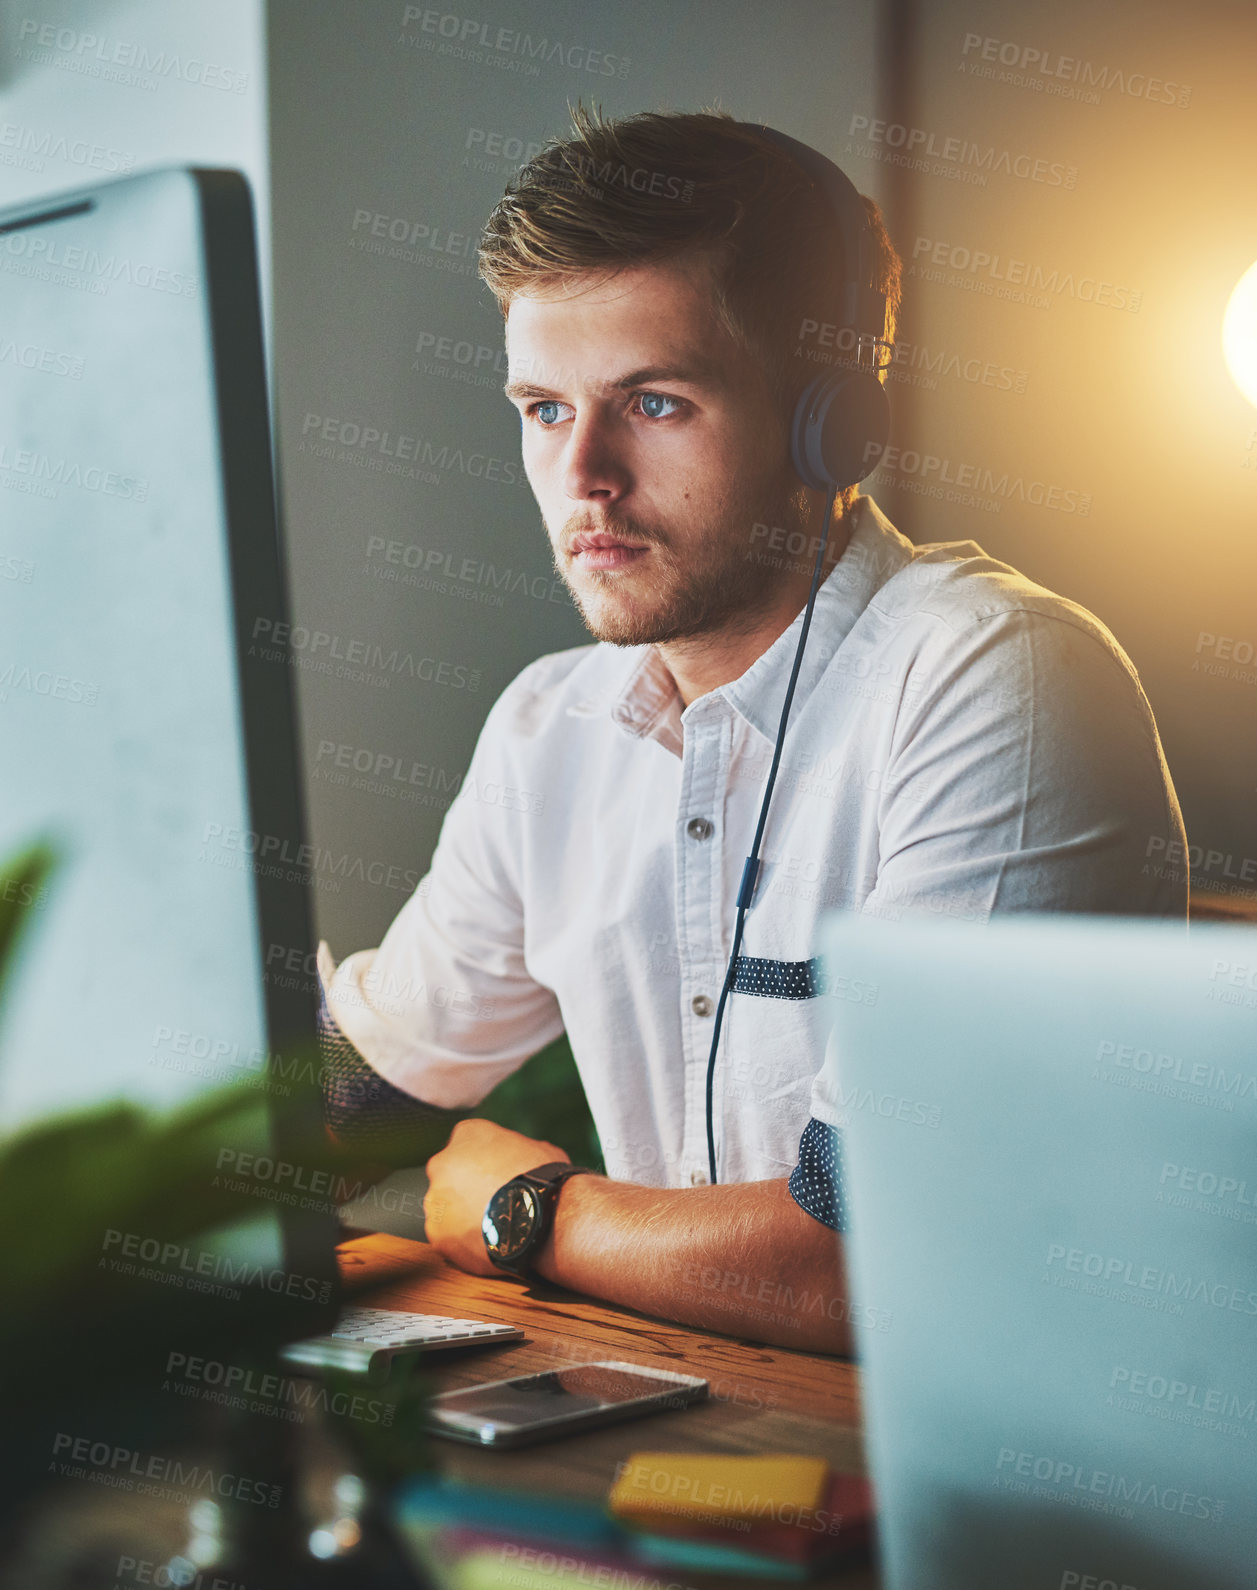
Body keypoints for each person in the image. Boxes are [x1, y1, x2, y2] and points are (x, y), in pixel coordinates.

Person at [317, 104, 1187, 1356]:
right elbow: (364, 1092)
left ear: (829, 424)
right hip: (699, 1440)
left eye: (654, 403)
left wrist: (531, 1214)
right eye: (545, 410)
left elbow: (884, 1260)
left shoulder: (996, 679)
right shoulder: (549, 729)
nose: (585, 480)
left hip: (999, 1495)